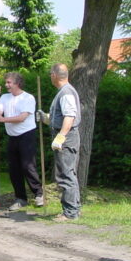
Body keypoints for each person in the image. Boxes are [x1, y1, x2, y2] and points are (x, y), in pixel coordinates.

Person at [36, 63, 81, 221]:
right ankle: (73, 209)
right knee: (68, 173)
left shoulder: (66, 92)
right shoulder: (64, 92)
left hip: (67, 139)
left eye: (50, 74)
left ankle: (69, 213)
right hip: (67, 137)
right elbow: (61, 117)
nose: (50, 77)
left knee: (65, 175)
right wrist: (46, 118)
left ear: (55, 75)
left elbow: (70, 117)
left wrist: (61, 137)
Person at [0, 72, 44, 212]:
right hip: (12, 136)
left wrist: (3, 120)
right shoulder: (4, 97)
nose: (6, 85)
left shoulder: (28, 98)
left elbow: (22, 117)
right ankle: (21, 199)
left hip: (27, 135)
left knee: (28, 166)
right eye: (6, 82)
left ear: (18, 83)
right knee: (14, 169)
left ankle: (39, 194)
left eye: (9, 82)